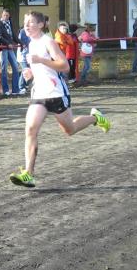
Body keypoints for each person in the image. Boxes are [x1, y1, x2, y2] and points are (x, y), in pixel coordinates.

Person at [9, 11, 111, 188]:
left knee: (70, 129)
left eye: (30, 22)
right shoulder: (31, 44)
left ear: (41, 25)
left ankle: (95, 117)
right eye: (25, 23)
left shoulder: (48, 41)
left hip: (56, 92)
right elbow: (42, 69)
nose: (26, 26)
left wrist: (40, 60)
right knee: (31, 129)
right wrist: (31, 72)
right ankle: (28, 174)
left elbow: (64, 66)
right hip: (39, 93)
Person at [0, 9, 21, 95]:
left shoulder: (9, 22)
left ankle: (15, 90)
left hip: (10, 48)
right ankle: (6, 90)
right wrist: (8, 44)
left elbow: (13, 35)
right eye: (4, 15)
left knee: (15, 67)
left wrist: (21, 43)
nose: (6, 17)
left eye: (7, 15)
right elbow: (0, 37)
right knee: (4, 69)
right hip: (3, 48)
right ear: (2, 15)